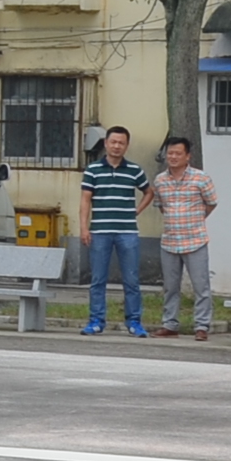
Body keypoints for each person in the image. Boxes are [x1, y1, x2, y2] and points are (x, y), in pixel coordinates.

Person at [144, 134, 220, 341]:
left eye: (178, 153)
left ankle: (202, 326)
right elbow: (160, 206)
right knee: (170, 286)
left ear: (188, 156)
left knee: (201, 286)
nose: (173, 157)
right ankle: (170, 324)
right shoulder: (160, 180)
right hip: (169, 241)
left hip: (195, 240)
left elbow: (211, 203)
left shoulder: (201, 178)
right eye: (170, 153)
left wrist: (195, 219)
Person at [76, 125, 149, 336]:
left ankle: (134, 322)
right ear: (106, 143)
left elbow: (148, 192)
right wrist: (83, 228)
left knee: (131, 279)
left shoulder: (134, 170)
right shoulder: (92, 170)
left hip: (127, 232)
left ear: (127, 146)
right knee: (98, 279)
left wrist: (137, 211)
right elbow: (85, 201)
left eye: (121, 143)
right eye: (113, 142)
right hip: (99, 231)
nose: (117, 146)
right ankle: (96, 320)